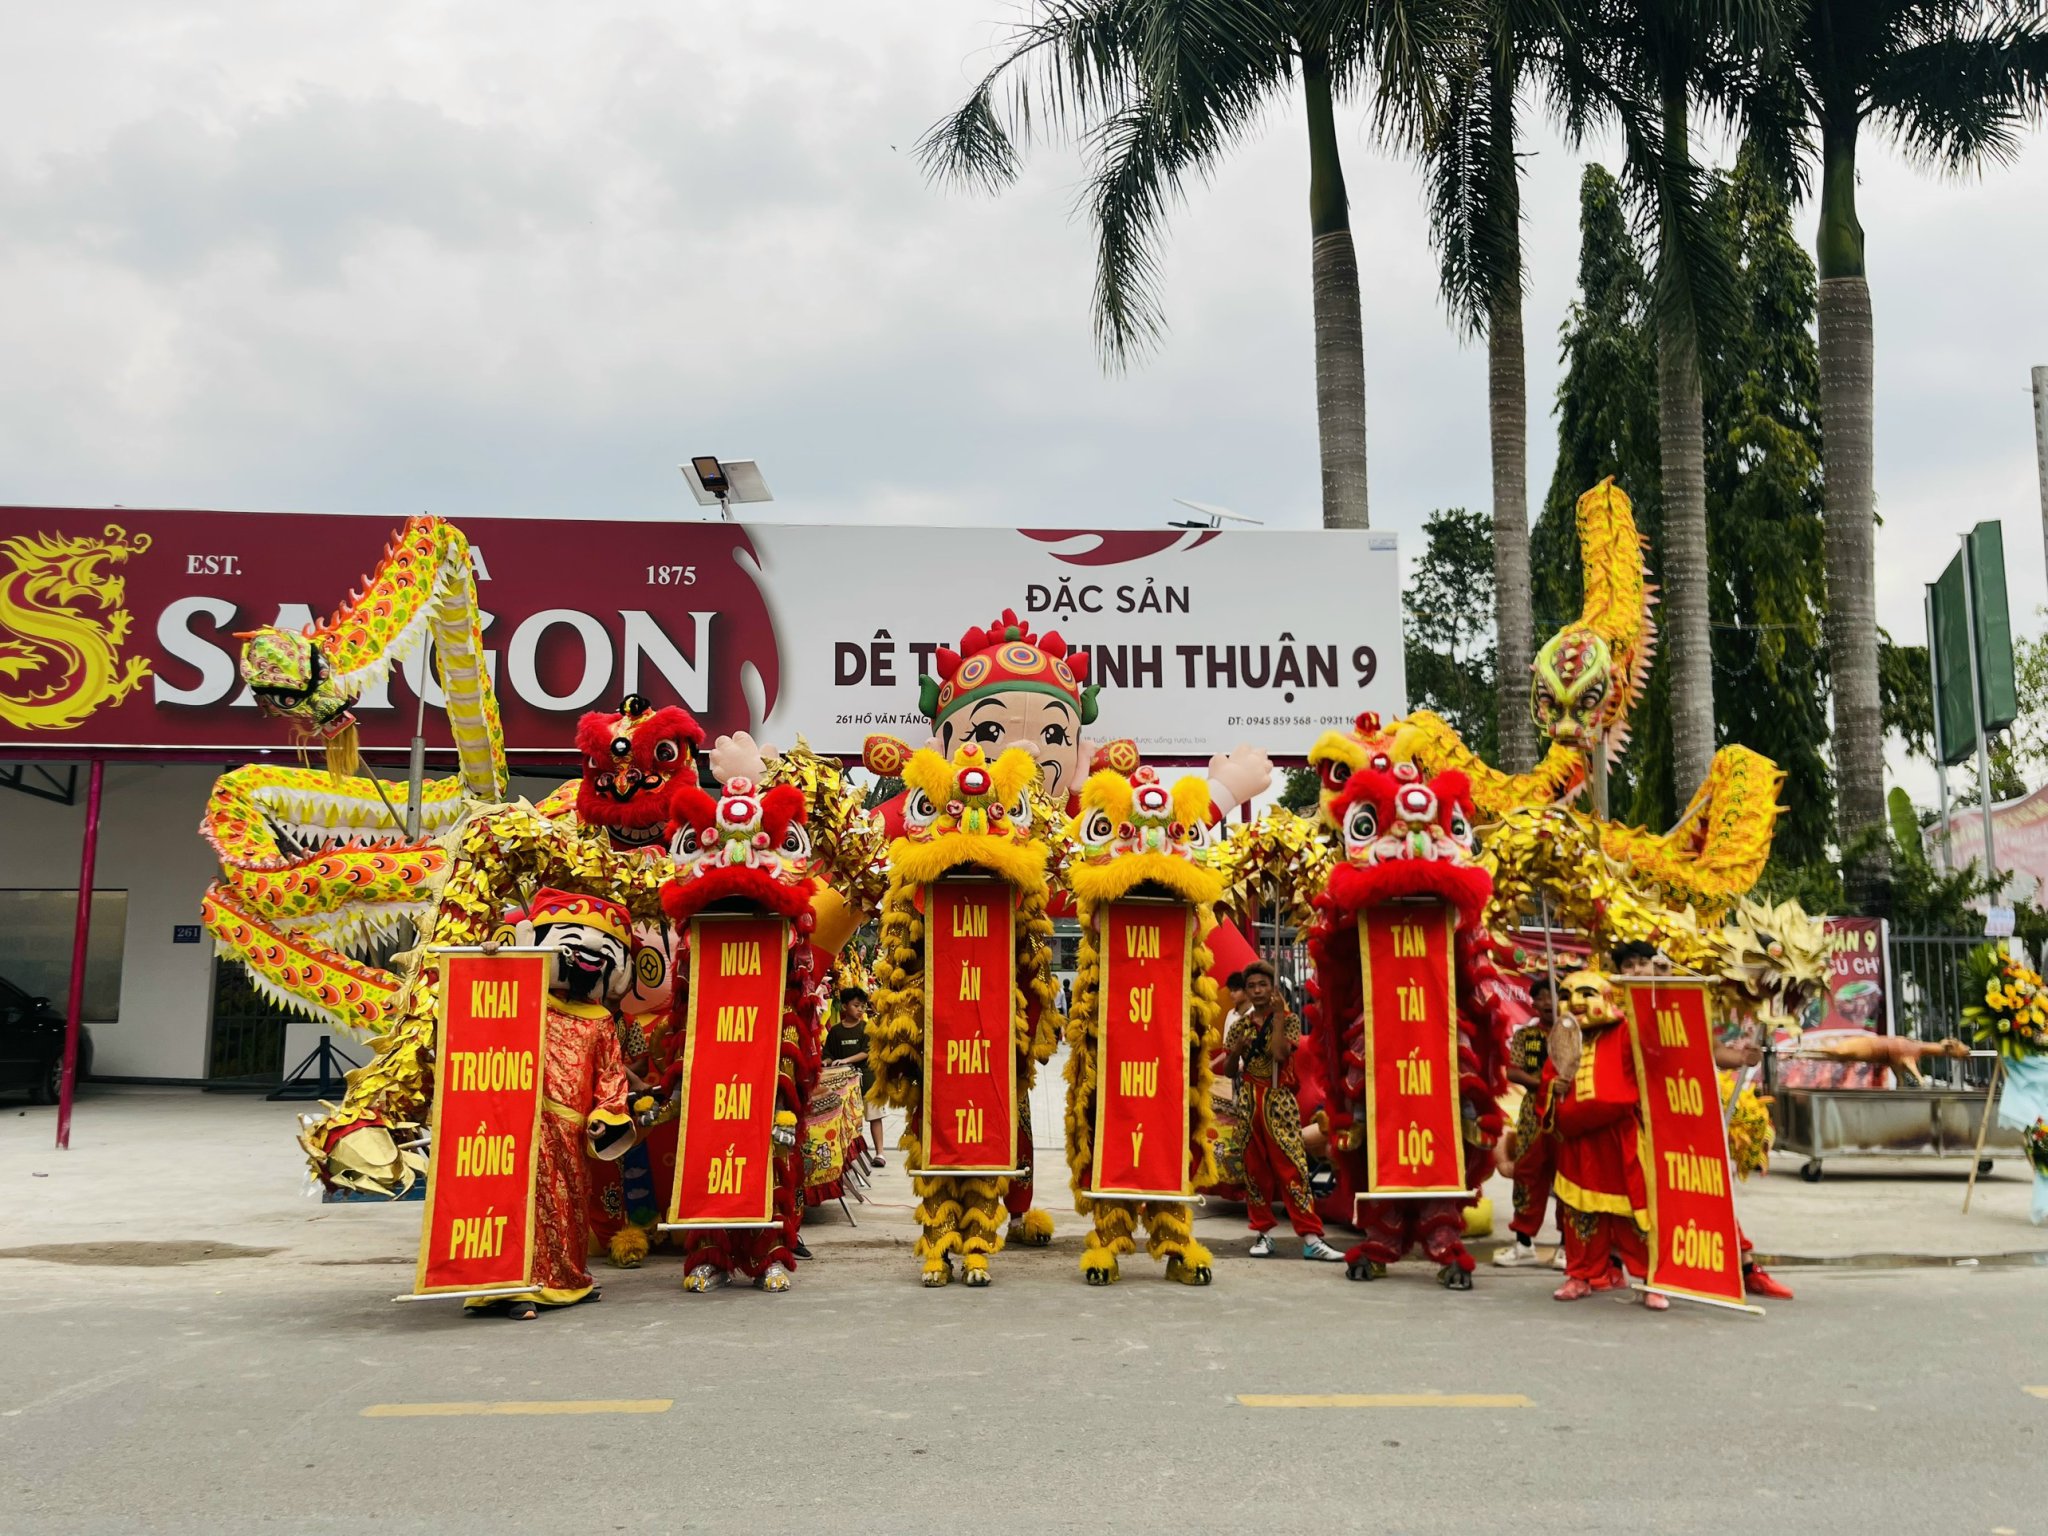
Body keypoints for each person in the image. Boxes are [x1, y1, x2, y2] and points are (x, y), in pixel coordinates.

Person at [467, 889, 634, 1322]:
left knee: (564, 1208)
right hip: (512, 1124)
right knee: (509, 1205)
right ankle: (506, 1287)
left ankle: (563, 1280)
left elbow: (610, 1075)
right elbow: (475, 1020)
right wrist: (492, 963)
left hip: (569, 1132)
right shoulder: (522, 999)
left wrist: (606, 1115)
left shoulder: (601, 1020)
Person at [1616, 939, 1791, 1300]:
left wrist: (1742, 1058)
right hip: (1636, 1121)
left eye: (1641, 963)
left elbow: (1713, 1052)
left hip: (1684, 1116)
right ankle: (1654, 1276)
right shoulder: (1614, 1012)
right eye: (1627, 966)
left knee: (1705, 1193)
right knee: (1646, 1202)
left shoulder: (1685, 1004)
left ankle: (1745, 1267)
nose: (1635, 971)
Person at [1541, 969, 1666, 1310]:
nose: (1575, 1002)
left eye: (1585, 993)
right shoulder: (1563, 1037)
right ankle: (1579, 1276)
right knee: (1580, 1214)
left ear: (1607, 999)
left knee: (1635, 1214)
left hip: (1619, 1137)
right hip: (1577, 1143)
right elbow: (1548, 1082)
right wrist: (1554, 1088)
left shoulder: (1626, 1031)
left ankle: (1652, 1280)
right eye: (1566, 995)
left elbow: (1656, 1058)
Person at [1222, 961, 1345, 1262]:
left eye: (1262, 985)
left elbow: (1279, 1055)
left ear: (1273, 988)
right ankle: (1263, 1233)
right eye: (1251, 986)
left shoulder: (1288, 1020)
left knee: (1293, 1167)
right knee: (1255, 1171)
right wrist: (1236, 1050)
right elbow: (1229, 1071)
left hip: (1278, 1102)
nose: (1257, 991)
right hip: (1249, 1101)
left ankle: (1311, 1238)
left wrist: (1277, 1017)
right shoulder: (1239, 1026)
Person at [1493, 973, 1564, 1270]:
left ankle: (1567, 1246)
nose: (1548, 1002)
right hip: (1533, 1113)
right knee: (1527, 1173)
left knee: (1566, 1177)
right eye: (1541, 997)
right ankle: (1523, 1243)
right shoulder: (1526, 1036)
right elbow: (1513, 1071)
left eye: (1553, 996)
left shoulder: (1574, 1034)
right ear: (1533, 1004)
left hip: (1567, 1112)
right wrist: (1545, 1084)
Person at [824, 985, 886, 1168]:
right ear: (844, 1006)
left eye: (862, 1006)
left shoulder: (866, 1028)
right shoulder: (835, 1031)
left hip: (867, 1080)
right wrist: (826, 1061)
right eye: (856, 1006)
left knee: (874, 1116)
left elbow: (866, 1052)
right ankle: (847, 1156)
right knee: (847, 1120)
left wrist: (845, 1060)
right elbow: (829, 1053)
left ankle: (880, 1153)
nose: (860, 1009)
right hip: (844, 1084)